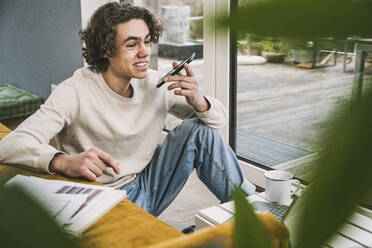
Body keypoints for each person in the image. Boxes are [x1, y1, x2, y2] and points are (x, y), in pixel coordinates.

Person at [0, 2, 255, 216]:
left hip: (149, 183)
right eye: (132, 45)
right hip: (104, 197)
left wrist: (199, 101)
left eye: (147, 41)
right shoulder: (74, 91)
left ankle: (252, 212)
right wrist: (63, 161)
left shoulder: (154, 83)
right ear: (106, 50)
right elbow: (10, 145)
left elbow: (217, 121)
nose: (145, 52)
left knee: (200, 131)